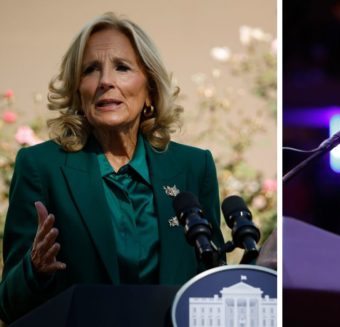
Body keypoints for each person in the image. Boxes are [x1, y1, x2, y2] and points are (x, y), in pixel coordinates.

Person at [0, 12, 224, 323]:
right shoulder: (41, 167)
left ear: (149, 88)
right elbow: (9, 306)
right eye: (91, 70)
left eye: (122, 67)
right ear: (79, 91)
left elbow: (212, 283)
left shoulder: (192, 167)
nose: (106, 81)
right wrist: (34, 268)